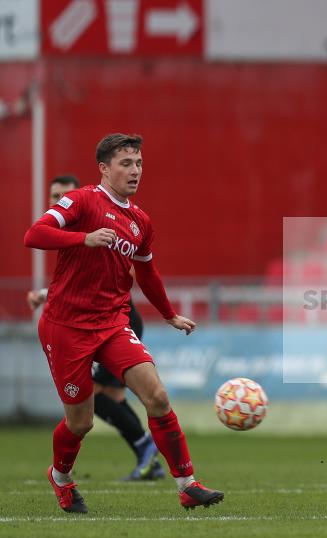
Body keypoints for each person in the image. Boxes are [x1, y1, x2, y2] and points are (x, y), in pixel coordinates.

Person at [23, 133, 223, 513]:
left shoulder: (140, 222)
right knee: (81, 423)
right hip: (65, 325)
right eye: (126, 164)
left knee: (158, 396)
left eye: (139, 164)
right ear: (104, 168)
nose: (135, 171)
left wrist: (168, 314)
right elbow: (34, 235)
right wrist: (84, 238)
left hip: (112, 322)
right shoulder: (81, 200)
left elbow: (148, 274)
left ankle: (187, 483)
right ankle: (61, 477)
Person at [28, 174, 163, 481]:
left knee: (99, 395)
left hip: (117, 320)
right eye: (54, 195)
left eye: (64, 194)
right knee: (108, 398)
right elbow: (77, 284)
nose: (58, 200)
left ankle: (146, 449)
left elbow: (113, 275)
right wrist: (43, 295)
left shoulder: (99, 219)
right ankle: (147, 454)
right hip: (90, 321)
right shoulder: (68, 230)